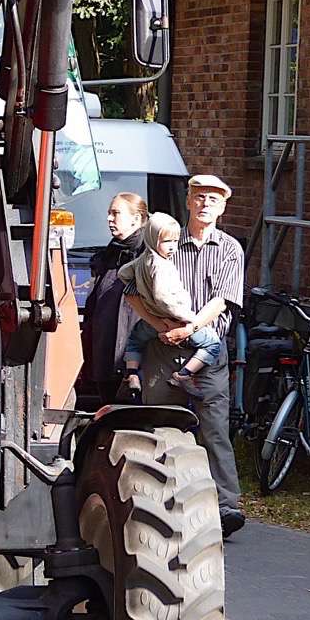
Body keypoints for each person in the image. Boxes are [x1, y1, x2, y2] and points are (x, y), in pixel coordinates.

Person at [124, 174, 245, 535]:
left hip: (206, 352)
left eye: (213, 198)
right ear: (189, 200)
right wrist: (159, 326)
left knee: (214, 430)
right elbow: (130, 288)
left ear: (223, 207)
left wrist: (188, 329)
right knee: (158, 425)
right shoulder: (162, 238)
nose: (206, 203)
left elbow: (221, 301)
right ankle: (156, 503)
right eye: (200, 197)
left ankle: (225, 507)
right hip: (163, 349)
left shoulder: (228, 248)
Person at [119, 212, 226, 398]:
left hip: (151, 321)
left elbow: (123, 274)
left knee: (135, 341)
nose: (172, 247)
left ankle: (132, 374)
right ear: (152, 239)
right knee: (212, 344)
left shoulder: (143, 260)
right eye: (167, 242)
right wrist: (186, 319)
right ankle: (184, 375)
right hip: (176, 319)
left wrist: (139, 288)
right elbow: (163, 298)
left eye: (175, 241)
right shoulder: (162, 266)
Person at [81, 191, 147, 404]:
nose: (109, 219)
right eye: (109, 213)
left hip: (133, 356)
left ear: (136, 219)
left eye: (116, 213)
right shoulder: (111, 252)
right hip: (105, 352)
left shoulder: (149, 253)